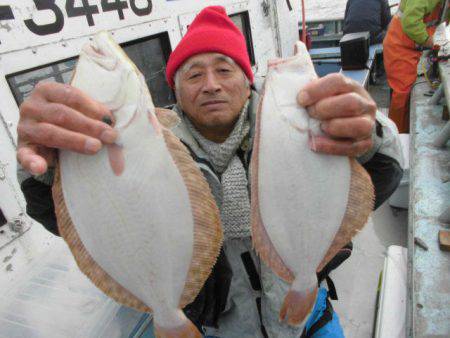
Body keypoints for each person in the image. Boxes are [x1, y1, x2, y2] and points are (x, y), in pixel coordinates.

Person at [16, 6, 403, 338]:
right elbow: (70, 215)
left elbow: (384, 173)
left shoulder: (297, 129)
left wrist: (367, 134)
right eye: (194, 74)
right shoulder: (151, 146)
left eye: (225, 68)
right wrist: (52, 165)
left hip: (309, 320)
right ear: (175, 89)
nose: (212, 85)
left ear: (247, 79)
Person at [384, 0, 450, 133]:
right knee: (402, 92)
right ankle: (396, 137)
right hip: (399, 46)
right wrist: (429, 41)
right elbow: (410, 22)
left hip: (415, 46)